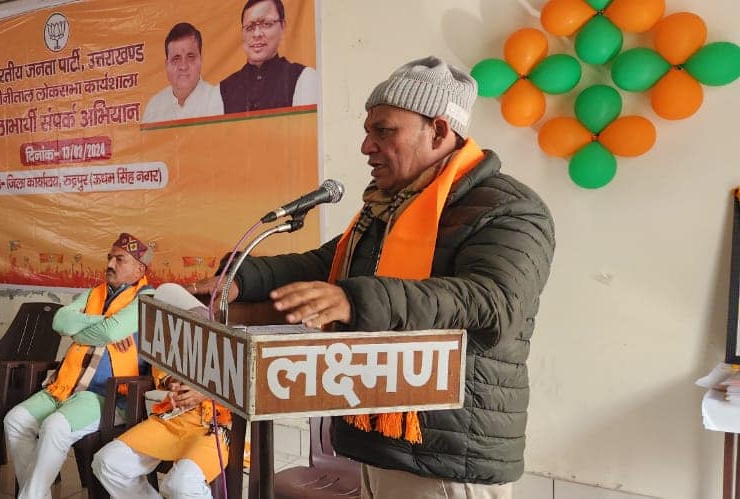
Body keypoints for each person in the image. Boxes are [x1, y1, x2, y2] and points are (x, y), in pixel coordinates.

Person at [201, 56, 555, 497]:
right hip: (378, 438)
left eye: (383, 131)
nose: (366, 147)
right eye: (367, 131)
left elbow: (492, 302)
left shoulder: (510, 209)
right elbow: (326, 266)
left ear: (438, 131)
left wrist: (355, 300)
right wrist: (241, 278)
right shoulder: (389, 207)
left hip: (444, 454)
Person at [4, 233, 155, 499]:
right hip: (66, 386)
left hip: (109, 395)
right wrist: (104, 322)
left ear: (139, 269)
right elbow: (60, 322)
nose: (110, 264)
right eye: (109, 258)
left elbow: (111, 331)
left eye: (120, 259)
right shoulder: (95, 293)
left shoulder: (147, 299)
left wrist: (84, 329)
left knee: (55, 426)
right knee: (15, 421)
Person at [92, 284, 230, 499]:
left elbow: (244, 388)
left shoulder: (225, 345)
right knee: (107, 463)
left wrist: (205, 392)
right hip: (171, 421)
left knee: (179, 486)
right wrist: (173, 387)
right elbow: (164, 381)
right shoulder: (165, 345)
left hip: (213, 426)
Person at [219, 0, 319, 113]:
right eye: (249, 27)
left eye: (266, 24)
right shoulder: (223, 90)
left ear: (283, 26)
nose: (256, 34)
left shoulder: (303, 79)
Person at [143, 22, 224, 122]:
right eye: (176, 59)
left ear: (200, 59)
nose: (183, 66)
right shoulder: (154, 108)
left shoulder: (218, 100)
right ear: (166, 64)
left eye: (190, 57)